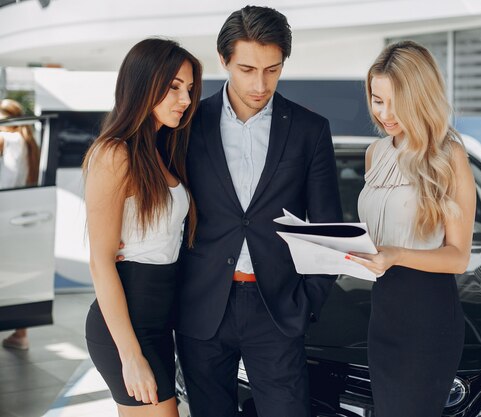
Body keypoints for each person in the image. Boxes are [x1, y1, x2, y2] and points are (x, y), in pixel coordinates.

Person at [174, 6, 343, 417]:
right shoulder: (188, 123)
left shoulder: (310, 129)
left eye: (272, 69)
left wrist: (308, 302)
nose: (260, 83)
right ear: (223, 60)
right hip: (202, 306)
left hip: (278, 308)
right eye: (247, 69)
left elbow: (328, 228)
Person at [349, 41, 475, 417]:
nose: (385, 114)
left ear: (420, 98)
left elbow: (458, 258)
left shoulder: (448, 155)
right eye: (377, 100)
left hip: (427, 318)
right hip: (383, 313)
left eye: (395, 102)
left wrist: (395, 254)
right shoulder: (375, 152)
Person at [83, 38, 201, 416]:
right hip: (127, 327)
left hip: (160, 321)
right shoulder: (114, 154)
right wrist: (130, 355)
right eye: (173, 87)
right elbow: (101, 261)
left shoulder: (160, 151)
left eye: (189, 88)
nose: (185, 99)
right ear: (143, 84)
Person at [1, 98, 41, 351]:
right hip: (27, 211)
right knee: (21, 272)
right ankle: (21, 333)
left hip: (8, 211)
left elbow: (8, 177)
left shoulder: (10, 140)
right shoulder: (30, 141)